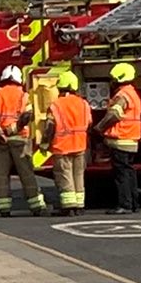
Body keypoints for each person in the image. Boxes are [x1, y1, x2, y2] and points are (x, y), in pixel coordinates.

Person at [0, 65, 46, 217]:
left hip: (0, 142)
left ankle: (4, 208)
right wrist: (13, 128)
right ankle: (36, 207)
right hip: (19, 139)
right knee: (26, 173)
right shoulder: (23, 95)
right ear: (19, 79)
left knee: (1, 175)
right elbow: (27, 115)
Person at [41, 69, 92, 216]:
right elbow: (89, 123)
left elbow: (50, 127)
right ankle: (80, 206)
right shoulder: (84, 103)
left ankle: (68, 206)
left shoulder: (56, 105)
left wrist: (45, 144)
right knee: (78, 175)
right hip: (80, 145)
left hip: (62, 146)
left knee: (64, 175)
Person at [95, 61, 141, 215]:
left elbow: (114, 114)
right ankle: (134, 204)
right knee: (129, 173)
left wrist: (100, 127)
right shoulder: (133, 93)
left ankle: (125, 205)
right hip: (131, 139)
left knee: (121, 175)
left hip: (121, 139)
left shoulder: (122, 95)